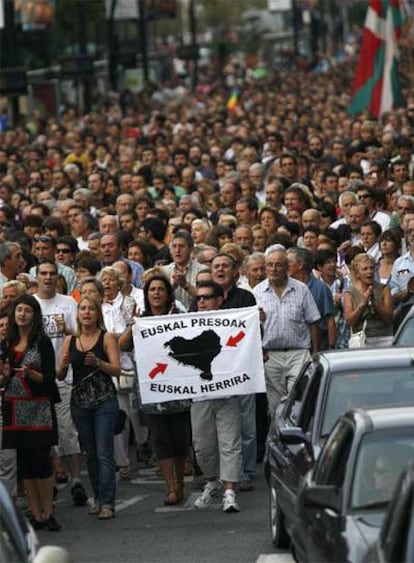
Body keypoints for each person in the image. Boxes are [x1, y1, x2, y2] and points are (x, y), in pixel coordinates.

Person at [119, 274, 191, 506]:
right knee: (160, 438)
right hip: (152, 390)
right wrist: (134, 324)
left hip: (178, 389)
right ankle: (170, 487)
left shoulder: (178, 317)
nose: (156, 293)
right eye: (152, 290)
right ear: (147, 295)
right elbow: (122, 345)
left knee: (179, 439)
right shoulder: (142, 320)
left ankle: (180, 481)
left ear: (167, 293)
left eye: (161, 289)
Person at [1, 295, 61, 531]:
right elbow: (2, 378)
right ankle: (36, 513)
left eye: (27, 310)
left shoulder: (42, 342)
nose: (22, 314)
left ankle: (48, 511)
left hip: (39, 409)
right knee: (24, 464)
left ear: (34, 315)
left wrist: (36, 376)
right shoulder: (7, 342)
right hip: (14, 408)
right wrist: (5, 374)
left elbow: (50, 377)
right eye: (19, 310)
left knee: (41, 461)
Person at [58, 296, 120, 519]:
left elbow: (117, 370)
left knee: (104, 453)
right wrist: (63, 366)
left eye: (91, 309)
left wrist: (99, 363)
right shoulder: (69, 340)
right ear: (78, 314)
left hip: (104, 399)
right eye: (83, 309)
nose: (86, 313)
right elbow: (60, 374)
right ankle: (96, 497)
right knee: (90, 454)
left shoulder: (107, 337)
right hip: (80, 402)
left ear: (97, 313)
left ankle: (107, 502)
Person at [192, 280, 243, 513]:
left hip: (228, 394)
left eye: (207, 297)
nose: (202, 301)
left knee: (230, 443)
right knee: (203, 446)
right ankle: (213, 482)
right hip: (200, 396)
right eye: (199, 298)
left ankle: (230, 491)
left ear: (220, 299)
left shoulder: (235, 321)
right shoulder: (185, 323)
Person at [253, 246, 321, 417]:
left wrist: (315, 353)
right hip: (270, 356)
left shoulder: (301, 289)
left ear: (286, 267)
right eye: (269, 265)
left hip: (298, 354)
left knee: (298, 401)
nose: (273, 269)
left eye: (278, 265)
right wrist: (256, 318)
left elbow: (313, 321)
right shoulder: (257, 293)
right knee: (275, 407)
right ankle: (277, 440)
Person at [344, 253, 393, 347]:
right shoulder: (350, 293)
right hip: (360, 339)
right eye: (365, 269)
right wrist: (362, 304)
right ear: (357, 273)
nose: (369, 272)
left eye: (371, 268)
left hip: (384, 338)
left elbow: (389, 318)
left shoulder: (384, 289)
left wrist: (375, 303)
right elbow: (349, 321)